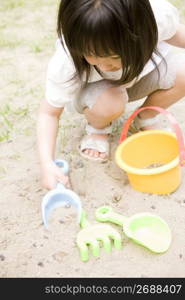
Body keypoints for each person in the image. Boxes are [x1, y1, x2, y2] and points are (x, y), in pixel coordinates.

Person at [37, 0, 185, 190]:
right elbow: (48, 113)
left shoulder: (155, 17)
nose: (105, 64)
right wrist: (46, 164)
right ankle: (98, 129)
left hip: (139, 77)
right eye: (91, 54)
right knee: (111, 101)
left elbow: (177, 33)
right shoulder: (67, 61)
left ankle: (144, 118)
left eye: (114, 56)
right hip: (99, 93)